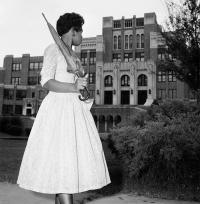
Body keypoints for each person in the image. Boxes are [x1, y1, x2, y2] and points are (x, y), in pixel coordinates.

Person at [17, 12, 111, 204]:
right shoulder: (53, 49)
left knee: (67, 164)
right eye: (80, 31)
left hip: (74, 112)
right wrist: (72, 87)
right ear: (72, 31)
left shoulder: (74, 56)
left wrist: (83, 92)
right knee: (60, 162)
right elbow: (47, 82)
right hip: (57, 112)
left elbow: (77, 87)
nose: (82, 36)